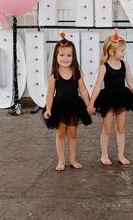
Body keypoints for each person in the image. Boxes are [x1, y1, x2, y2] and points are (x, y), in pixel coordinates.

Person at [87, 29, 133, 166]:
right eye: (122, 50)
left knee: (121, 128)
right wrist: (91, 103)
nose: (124, 53)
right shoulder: (104, 66)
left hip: (121, 97)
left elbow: (130, 82)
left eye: (124, 50)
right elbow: (97, 86)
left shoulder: (124, 65)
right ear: (111, 52)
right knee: (107, 128)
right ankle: (104, 154)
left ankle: (121, 155)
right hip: (107, 97)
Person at [43, 33, 92, 171]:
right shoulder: (54, 75)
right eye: (62, 55)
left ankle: (73, 160)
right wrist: (48, 109)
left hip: (74, 107)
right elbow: (50, 93)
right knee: (60, 134)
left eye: (69, 56)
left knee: (72, 134)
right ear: (56, 56)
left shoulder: (77, 73)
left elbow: (83, 91)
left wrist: (88, 104)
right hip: (59, 107)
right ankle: (61, 161)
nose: (65, 58)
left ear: (73, 57)